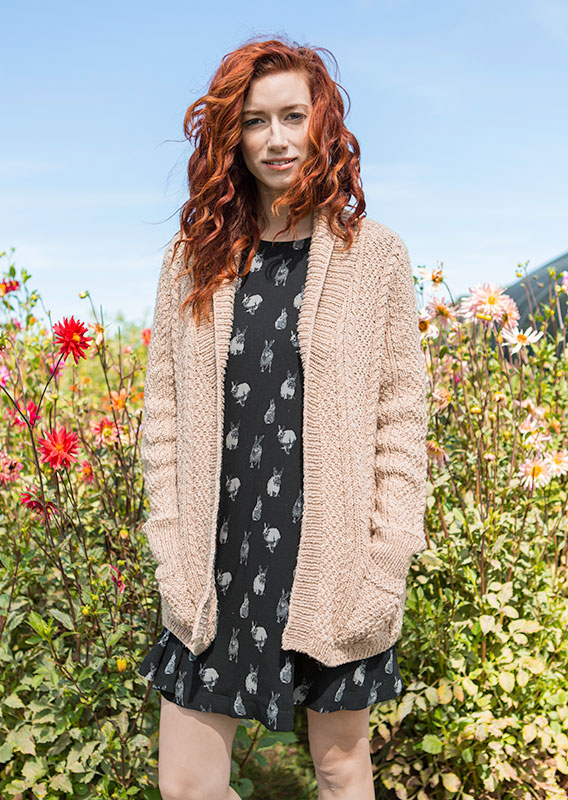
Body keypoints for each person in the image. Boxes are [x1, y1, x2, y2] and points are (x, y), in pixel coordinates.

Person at [138, 35, 428, 800]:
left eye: (293, 116)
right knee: (187, 784)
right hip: (215, 559)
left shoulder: (376, 257)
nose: (276, 139)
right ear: (230, 137)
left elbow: (401, 420)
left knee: (339, 770)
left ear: (321, 122)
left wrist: (386, 562)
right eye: (254, 120)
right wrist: (170, 551)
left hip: (334, 560)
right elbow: (162, 418)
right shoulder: (190, 261)